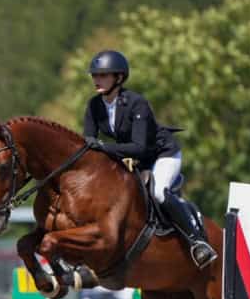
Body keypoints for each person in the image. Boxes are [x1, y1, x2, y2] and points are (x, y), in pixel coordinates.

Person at [81, 49, 217, 269]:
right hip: (136, 159)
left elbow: (139, 147)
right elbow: (88, 142)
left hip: (163, 154)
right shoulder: (94, 106)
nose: (97, 80)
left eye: (103, 75)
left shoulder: (136, 103)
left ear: (119, 77)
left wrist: (104, 147)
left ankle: (197, 241)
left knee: (158, 193)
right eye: (95, 75)